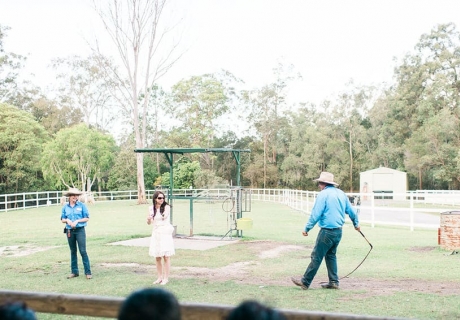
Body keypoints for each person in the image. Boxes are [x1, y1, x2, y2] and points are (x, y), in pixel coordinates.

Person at [291, 172, 360, 290]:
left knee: (316, 256)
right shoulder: (341, 194)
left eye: (319, 183)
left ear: (323, 183)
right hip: (338, 231)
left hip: (326, 231)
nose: (318, 185)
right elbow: (352, 211)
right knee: (331, 255)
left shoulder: (323, 195)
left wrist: (307, 228)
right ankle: (334, 282)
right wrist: (356, 224)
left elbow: (316, 213)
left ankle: (305, 281)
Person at [60, 187, 92, 279]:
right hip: (69, 231)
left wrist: (77, 221)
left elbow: (87, 218)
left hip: (80, 230)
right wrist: (67, 220)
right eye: (73, 195)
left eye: (76, 195)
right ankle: (74, 271)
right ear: (69, 196)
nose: (75, 197)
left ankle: (88, 272)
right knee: (73, 251)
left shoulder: (82, 206)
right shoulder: (65, 207)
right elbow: (62, 219)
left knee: (83, 251)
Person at [147, 191, 175, 285]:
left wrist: (162, 214)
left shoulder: (166, 207)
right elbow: (149, 222)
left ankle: (166, 278)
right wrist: (148, 219)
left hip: (165, 232)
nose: (162, 199)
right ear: (155, 199)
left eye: (163, 198)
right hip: (156, 233)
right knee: (157, 256)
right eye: (159, 198)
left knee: (166, 256)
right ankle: (159, 277)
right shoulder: (151, 209)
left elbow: (165, 216)